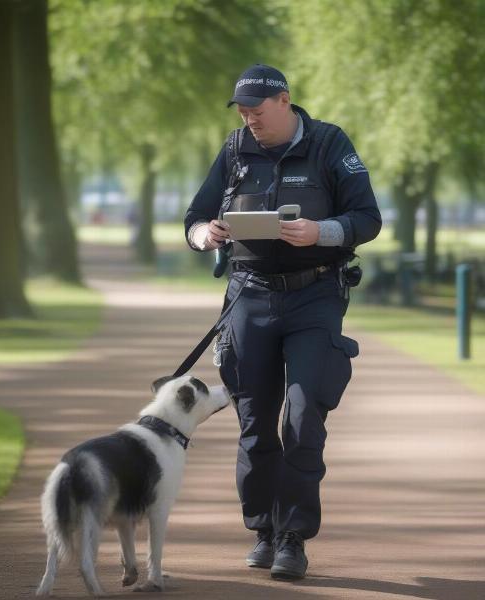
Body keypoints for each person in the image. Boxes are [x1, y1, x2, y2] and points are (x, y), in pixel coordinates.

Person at [184, 64, 381, 580]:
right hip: (247, 297)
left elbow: (367, 218)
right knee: (254, 423)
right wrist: (205, 235)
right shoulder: (233, 151)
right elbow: (194, 217)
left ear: (284, 101)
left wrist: (322, 231)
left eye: (256, 111)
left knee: (302, 417)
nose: (249, 121)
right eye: (243, 113)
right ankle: (263, 531)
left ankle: (293, 536)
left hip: (315, 296)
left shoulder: (330, 143)